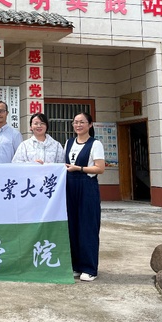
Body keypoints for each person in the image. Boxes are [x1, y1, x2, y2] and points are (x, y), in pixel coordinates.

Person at [64, 112, 105, 282]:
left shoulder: (95, 144)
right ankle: (76, 266)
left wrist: (79, 168)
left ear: (90, 125)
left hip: (87, 186)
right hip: (70, 186)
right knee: (72, 226)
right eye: (76, 122)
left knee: (87, 226)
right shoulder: (69, 142)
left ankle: (89, 268)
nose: (78, 125)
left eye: (82, 122)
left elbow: (100, 168)